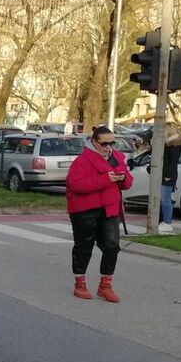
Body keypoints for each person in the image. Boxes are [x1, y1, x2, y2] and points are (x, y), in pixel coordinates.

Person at [66, 126, 133, 303]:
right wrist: (105, 179)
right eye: (105, 144)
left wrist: (123, 179)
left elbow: (128, 182)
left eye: (112, 143)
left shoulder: (116, 158)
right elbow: (76, 185)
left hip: (110, 208)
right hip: (85, 210)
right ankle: (80, 284)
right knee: (84, 246)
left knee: (112, 245)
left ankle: (105, 285)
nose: (108, 147)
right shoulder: (82, 161)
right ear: (94, 142)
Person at [160, 122, 181, 233]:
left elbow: (172, 162)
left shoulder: (173, 145)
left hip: (168, 174)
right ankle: (166, 221)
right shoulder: (171, 144)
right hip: (168, 174)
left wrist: (168, 176)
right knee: (165, 199)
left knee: (165, 199)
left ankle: (167, 222)